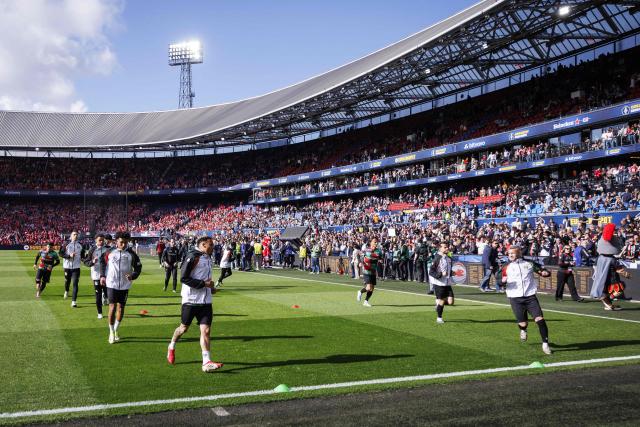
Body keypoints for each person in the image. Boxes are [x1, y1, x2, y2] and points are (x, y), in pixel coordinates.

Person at [167, 236, 223, 373]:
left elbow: (206, 278)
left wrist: (211, 288)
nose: (213, 247)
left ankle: (206, 362)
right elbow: (184, 278)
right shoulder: (192, 256)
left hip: (206, 300)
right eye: (211, 245)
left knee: (206, 331)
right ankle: (172, 345)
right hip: (191, 299)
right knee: (183, 329)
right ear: (203, 244)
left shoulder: (207, 257)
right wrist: (204, 284)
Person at [501, 246, 552, 355]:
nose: (510, 255)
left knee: (540, 319)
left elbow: (542, 270)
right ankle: (523, 330)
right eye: (509, 253)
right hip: (515, 298)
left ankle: (545, 344)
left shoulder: (529, 264)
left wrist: (545, 273)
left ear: (518, 254)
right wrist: (502, 281)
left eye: (513, 253)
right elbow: (499, 280)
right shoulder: (506, 266)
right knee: (523, 323)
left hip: (530, 297)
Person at [99, 231, 142, 344]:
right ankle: (111, 332)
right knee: (112, 307)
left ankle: (116, 329)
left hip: (125, 285)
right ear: (116, 241)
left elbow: (138, 266)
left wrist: (133, 275)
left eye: (126, 243)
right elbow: (102, 262)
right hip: (111, 283)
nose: (124, 245)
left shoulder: (131, 253)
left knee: (121, 308)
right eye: (122, 242)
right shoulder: (109, 252)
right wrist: (102, 275)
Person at [591, 224, 630, 311]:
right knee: (619, 289)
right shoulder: (611, 259)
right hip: (612, 278)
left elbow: (595, 266)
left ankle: (608, 304)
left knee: (605, 290)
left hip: (603, 278)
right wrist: (627, 274)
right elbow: (619, 269)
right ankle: (608, 301)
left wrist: (595, 274)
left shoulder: (600, 258)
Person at [84, 234, 110, 318]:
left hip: (107, 274)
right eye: (100, 240)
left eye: (103, 240)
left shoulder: (108, 249)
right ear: (96, 240)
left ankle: (105, 296)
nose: (102, 242)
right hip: (96, 275)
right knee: (97, 295)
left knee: (107, 293)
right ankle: (100, 313)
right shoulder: (92, 250)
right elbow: (86, 262)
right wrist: (92, 262)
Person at [429, 242, 454, 324]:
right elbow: (431, 271)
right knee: (442, 300)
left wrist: (452, 273)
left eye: (447, 247)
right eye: (445, 247)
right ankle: (439, 318)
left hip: (447, 282)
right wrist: (440, 274)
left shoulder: (449, 258)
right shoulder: (437, 258)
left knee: (451, 302)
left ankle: (438, 304)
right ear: (440, 248)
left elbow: (448, 270)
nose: (447, 248)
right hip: (439, 283)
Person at [60, 231, 85, 307]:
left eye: (77, 234)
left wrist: (86, 259)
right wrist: (69, 256)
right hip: (67, 267)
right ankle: (66, 291)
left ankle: (73, 301)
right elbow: (60, 253)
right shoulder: (65, 244)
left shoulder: (80, 245)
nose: (76, 236)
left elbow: (83, 256)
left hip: (76, 267)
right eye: (74, 234)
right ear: (71, 236)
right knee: (67, 281)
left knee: (75, 284)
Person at [357, 238, 383, 307]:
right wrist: (360, 262)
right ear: (371, 243)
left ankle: (365, 301)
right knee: (368, 288)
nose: (376, 243)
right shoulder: (366, 250)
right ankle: (360, 292)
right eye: (374, 242)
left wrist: (381, 261)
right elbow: (359, 254)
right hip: (366, 271)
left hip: (373, 272)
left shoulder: (379, 251)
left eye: (376, 242)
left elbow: (381, 258)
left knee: (372, 288)